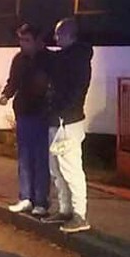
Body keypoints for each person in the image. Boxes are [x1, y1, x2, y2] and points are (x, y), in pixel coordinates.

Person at [43, 18, 93, 233]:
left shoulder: (77, 60)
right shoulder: (67, 58)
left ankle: (79, 215)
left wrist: (62, 110)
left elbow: (75, 90)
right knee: (56, 168)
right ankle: (65, 210)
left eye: (58, 34)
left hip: (68, 122)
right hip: (59, 120)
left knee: (70, 169)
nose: (55, 38)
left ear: (67, 35)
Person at [0, 23, 50, 217]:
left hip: (42, 114)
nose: (22, 44)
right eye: (20, 40)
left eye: (26, 40)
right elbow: (13, 81)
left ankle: (41, 201)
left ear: (37, 41)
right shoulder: (19, 59)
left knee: (40, 159)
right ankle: (26, 198)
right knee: (25, 158)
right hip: (24, 113)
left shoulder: (47, 60)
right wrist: (6, 94)